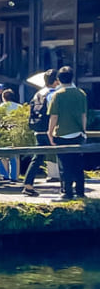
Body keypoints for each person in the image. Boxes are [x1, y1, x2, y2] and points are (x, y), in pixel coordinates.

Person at [48, 66, 88, 201]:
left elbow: (54, 116)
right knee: (78, 164)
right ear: (72, 78)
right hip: (78, 133)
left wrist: (50, 132)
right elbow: (83, 115)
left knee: (64, 165)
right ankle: (80, 191)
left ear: (58, 80)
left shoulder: (57, 95)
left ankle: (67, 192)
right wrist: (83, 131)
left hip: (61, 133)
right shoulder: (81, 93)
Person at [22, 70, 58, 197]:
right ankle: (67, 187)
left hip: (38, 129)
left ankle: (28, 184)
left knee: (37, 158)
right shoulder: (53, 94)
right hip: (51, 130)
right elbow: (54, 113)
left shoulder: (38, 93)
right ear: (56, 81)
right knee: (63, 156)